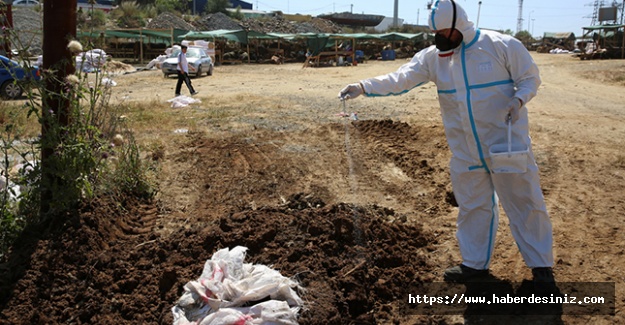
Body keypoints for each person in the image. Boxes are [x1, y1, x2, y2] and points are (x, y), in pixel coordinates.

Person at [338, 0, 555, 288]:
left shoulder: (501, 45)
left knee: (525, 204)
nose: (440, 38)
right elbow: (400, 78)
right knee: (472, 207)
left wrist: (518, 99)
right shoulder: (433, 58)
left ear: (461, 27)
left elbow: (530, 78)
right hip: (465, 151)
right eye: (435, 32)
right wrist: (363, 86)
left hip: (505, 144)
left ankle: (542, 270)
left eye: (445, 32)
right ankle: (474, 265)